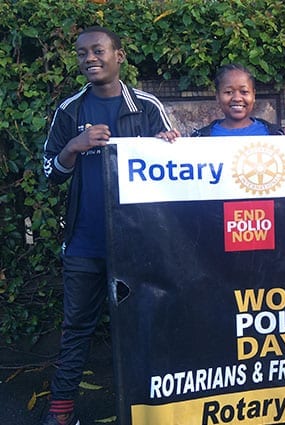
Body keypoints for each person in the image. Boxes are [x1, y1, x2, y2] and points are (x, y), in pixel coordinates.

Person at [41, 26, 180, 425]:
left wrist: (169, 145)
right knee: (76, 330)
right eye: (82, 53)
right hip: (86, 243)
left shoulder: (147, 105)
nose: (89, 58)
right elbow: (50, 171)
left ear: (119, 55)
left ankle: (148, 410)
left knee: (146, 328)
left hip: (139, 246)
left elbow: (174, 171)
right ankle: (61, 412)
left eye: (98, 50)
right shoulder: (71, 110)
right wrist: (73, 147)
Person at [191, 63, 285, 137]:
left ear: (254, 95)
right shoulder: (200, 138)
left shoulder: (276, 134)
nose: (237, 98)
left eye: (244, 92)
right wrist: (173, 144)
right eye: (228, 92)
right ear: (217, 96)